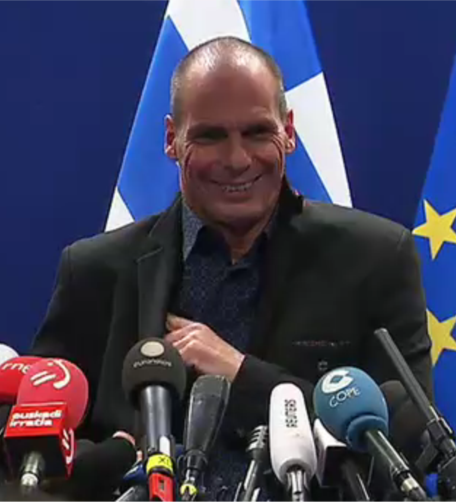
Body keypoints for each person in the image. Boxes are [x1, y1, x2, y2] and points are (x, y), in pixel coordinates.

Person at [31, 36, 433, 501]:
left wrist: (240, 375)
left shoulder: (375, 258)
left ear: (289, 132)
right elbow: (31, 451)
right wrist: (110, 461)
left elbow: (407, 446)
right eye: (210, 136)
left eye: (258, 132)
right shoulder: (95, 271)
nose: (237, 160)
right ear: (171, 140)